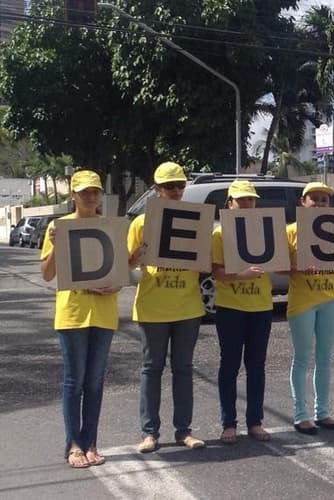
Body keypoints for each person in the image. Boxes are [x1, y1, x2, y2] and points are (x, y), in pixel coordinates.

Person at [40, 170, 118, 468]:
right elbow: (47, 274)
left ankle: (91, 443)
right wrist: (57, 243)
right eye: (84, 192)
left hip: (104, 313)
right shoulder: (58, 227)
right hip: (72, 315)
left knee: (96, 383)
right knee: (75, 381)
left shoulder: (110, 227)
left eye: (95, 191)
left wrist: (115, 284)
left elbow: (119, 272)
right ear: (73, 195)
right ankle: (73, 445)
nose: (91, 196)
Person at [128, 162, 206, 452]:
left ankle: (184, 431)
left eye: (179, 185)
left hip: (188, 307)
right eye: (168, 186)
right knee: (152, 368)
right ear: (157, 189)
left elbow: (207, 262)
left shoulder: (197, 220)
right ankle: (150, 433)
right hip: (152, 307)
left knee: (184, 368)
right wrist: (136, 257)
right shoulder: (140, 222)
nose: (175, 190)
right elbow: (125, 265)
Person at [287, 182, 334, 434]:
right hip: (302, 301)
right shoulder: (291, 231)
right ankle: (300, 414)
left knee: (325, 359)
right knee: (302, 357)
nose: (318, 203)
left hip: (331, 298)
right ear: (302, 202)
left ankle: (323, 412)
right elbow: (278, 266)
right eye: (313, 198)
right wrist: (299, 269)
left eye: (323, 199)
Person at [211, 180, 273, 443]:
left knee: (256, 366)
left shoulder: (268, 231)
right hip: (230, 308)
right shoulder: (219, 234)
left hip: (262, 307)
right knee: (229, 366)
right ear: (230, 203)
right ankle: (229, 424)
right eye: (241, 200)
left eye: (251, 199)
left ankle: (255, 422)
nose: (247, 204)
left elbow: (283, 263)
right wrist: (242, 276)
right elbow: (217, 273)